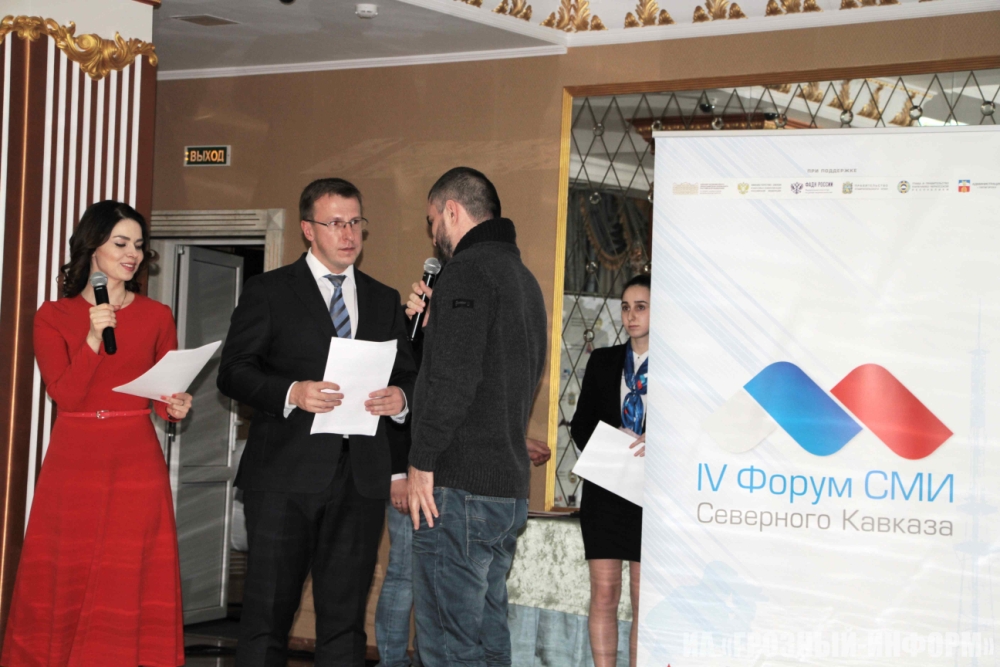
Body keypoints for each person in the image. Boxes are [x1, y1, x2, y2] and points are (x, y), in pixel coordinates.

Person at [217, 178, 417, 667]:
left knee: (345, 625)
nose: (348, 234)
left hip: (359, 480)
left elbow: (408, 374)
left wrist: (402, 398)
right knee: (267, 619)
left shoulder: (383, 298)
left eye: (355, 222)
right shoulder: (269, 290)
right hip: (283, 478)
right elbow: (234, 372)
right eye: (335, 223)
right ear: (308, 229)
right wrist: (292, 392)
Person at [2, 201, 192, 667]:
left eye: (139, 246)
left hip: (136, 458)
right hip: (75, 459)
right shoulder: (53, 315)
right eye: (121, 243)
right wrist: (92, 338)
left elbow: (161, 395)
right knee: (69, 569)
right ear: (92, 248)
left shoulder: (157, 315)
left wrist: (174, 406)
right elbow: (65, 396)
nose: (133, 254)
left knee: (128, 571)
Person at [404, 167, 547, 667]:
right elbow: (491, 374)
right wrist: (430, 328)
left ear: (452, 210)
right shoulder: (523, 279)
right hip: (504, 489)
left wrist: (421, 460)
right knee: (487, 638)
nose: (433, 236)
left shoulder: (466, 271)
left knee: (447, 645)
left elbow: (454, 380)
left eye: (432, 221)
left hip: (458, 487)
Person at [569, 274, 651, 667]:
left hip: (650, 494)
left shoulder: (677, 367)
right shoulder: (602, 360)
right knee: (604, 594)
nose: (631, 315)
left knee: (642, 599)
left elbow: (689, 430)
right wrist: (611, 440)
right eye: (626, 307)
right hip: (605, 491)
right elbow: (580, 425)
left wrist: (658, 441)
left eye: (641, 307)